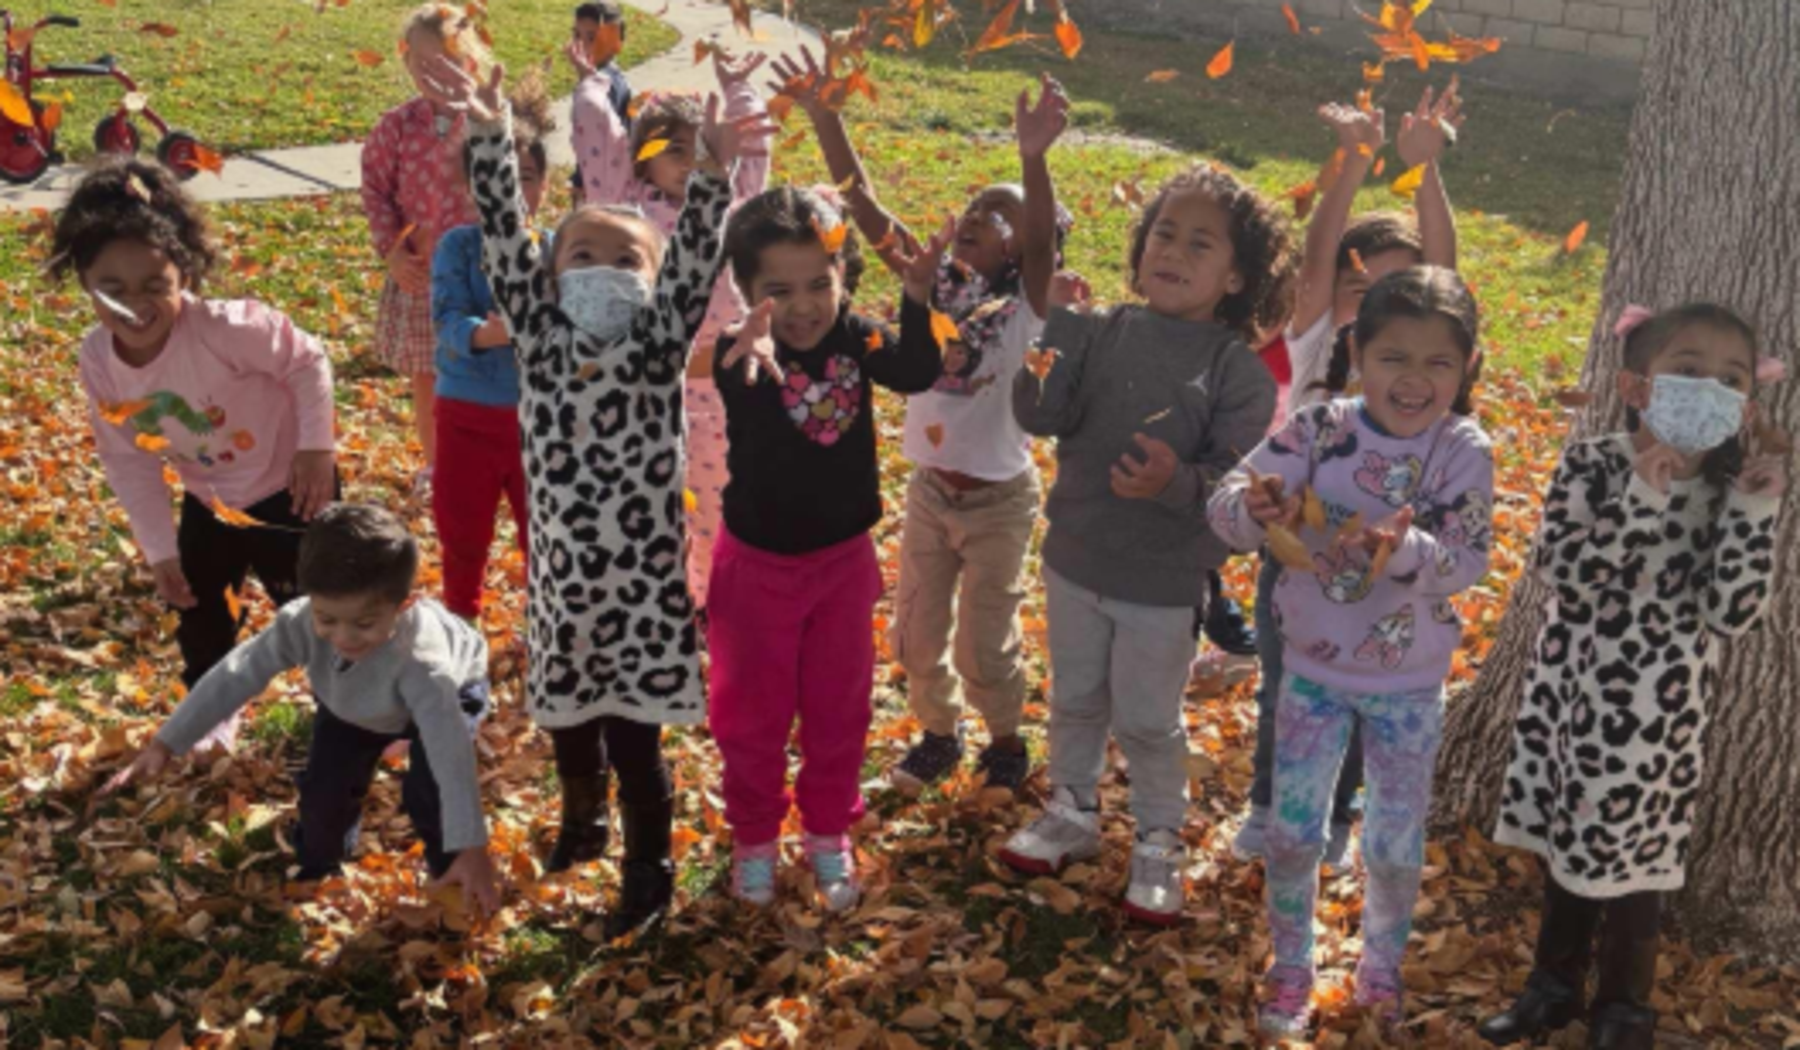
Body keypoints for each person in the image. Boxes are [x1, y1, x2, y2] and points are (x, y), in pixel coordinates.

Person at [430, 55, 770, 939]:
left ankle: (648, 868)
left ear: (654, 282)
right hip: (565, 590)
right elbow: (505, 236)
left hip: (647, 594)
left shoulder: (659, 343)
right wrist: (490, 134)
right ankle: (582, 822)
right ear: (551, 276)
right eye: (582, 253)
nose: (603, 268)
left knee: (638, 742)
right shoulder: (540, 338)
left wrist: (714, 169)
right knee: (571, 726)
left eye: (626, 258)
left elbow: (696, 257)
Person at [1479, 304, 1786, 1050]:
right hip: (1570, 701)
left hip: (1660, 718)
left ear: (1746, 408)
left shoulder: (1729, 488)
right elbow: (1566, 572)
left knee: (1639, 865)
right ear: (1637, 386)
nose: (1709, 389)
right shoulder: (1593, 462)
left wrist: (1755, 508)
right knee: (1567, 849)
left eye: (1731, 380)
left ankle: (1624, 1008)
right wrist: (1641, 497)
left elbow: (1732, 612)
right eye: (1688, 370)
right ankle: (1552, 988)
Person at [772, 50, 1077, 794]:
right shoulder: (931, 279)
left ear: (1021, 249)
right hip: (930, 495)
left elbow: (1042, 243)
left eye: (999, 215)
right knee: (915, 632)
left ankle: (1004, 741)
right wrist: (827, 118)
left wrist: (1032, 159)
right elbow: (868, 208)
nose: (977, 215)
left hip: (999, 502)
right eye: (975, 205)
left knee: (984, 642)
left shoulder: (1028, 310)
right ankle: (939, 734)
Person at [997, 162, 1294, 925]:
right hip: (1076, 558)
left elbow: (1235, 488)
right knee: (1075, 698)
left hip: (1163, 582)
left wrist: (1171, 482)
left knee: (1146, 719)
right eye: (1164, 233)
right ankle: (1071, 809)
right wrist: (1059, 330)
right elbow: (1038, 412)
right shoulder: (1100, 331)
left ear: (1236, 277)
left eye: (1201, 244)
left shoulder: (1239, 374)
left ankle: (1159, 839)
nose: (1174, 252)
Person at [1207, 266, 1493, 1038]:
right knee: (1292, 833)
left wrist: (1407, 550)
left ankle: (1380, 970)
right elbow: (1229, 505)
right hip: (1312, 675)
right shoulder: (1319, 428)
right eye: (1393, 357)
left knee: (1394, 847)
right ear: (1358, 353)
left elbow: (1468, 561)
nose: (1414, 379)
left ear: (1467, 366)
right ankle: (1291, 966)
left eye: (1438, 361)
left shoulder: (1462, 448)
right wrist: (1254, 506)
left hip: (1410, 686)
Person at [1232, 83, 1466, 870]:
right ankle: (1269, 806)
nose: (1374, 304)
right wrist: (1355, 160)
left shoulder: (1419, 364)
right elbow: (1317, 261)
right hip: (1296, 557)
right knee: (1284, 687)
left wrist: (1426, 171)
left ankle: (1334, 814)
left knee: (1369, 696)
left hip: (1390, 563)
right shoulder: (1318, 339)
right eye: (1360, 286)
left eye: (1397, 292)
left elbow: (1447, 275)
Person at [706, 185, 944, 912]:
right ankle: (754, 837)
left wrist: (916, 298)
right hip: (756, 571)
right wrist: (746, 345)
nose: (805, 306)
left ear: (843, 276)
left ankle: (826, 829)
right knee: (752, 715)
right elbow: (739, 381)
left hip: (841, 565)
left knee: (839, 708)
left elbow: (917, 370)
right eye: (779, 291)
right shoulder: (742, 353)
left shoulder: (857, 338)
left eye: (820, 283)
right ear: (746, 291)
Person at [57, 158, 337, 752]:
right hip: (210, 501)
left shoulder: (226, 329)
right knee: (201, 611)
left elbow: (306, 360)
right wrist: (160, 548)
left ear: (183, 273)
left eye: (154, 286)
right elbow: (128, 458)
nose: (134, 306)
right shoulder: (100, 361)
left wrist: (316, 448)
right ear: (84, 282)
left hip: (291, 489)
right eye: (113, 290)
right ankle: (213, 713)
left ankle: (354, 703)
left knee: (321, 605)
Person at [100, 504, 500, 915]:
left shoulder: (425, 666)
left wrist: (471, 845)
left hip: (451, 694)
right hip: (353, 702)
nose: (344, 636)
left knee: (429, 789)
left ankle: (455, 871)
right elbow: (236, 673)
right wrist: (166, 743)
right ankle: (319, 859)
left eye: (363, 623)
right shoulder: (301, 622)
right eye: (327, 618)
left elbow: (450, 754)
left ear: (404, 605)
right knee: (326, 789)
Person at [571, 49, 774, 613]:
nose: (688, 162)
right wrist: (593, 83)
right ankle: (652, 598)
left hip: (716, 388)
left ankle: (707, 599)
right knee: (643, 501)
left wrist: (738, 89)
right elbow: (597, 134)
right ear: (643, 159)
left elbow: (754, 145)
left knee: (713, 501)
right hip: (645, 390)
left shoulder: (736, 205)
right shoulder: (627, 209)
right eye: (673, 150)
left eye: (699, 148)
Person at [429, 74, 554, 622]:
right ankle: (461, 622)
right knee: (462, 533)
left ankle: (546, 627)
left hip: (538, 422)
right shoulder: (457, 246)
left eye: (525, 177)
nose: (515, 190)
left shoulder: (558, 249)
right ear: (473, 185)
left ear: (544, 184)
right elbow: (447, 320)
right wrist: (488, 333)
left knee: (543, 535)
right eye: (502, 177)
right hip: (466, 416)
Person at [361, 3, 489, 497]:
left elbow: (517, 186)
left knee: (481, 368)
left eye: (446, 62)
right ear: (406, 61)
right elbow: (376, 192)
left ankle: (488, 457)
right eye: (421, 62)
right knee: (427, 377)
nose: (432, 73)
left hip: (478, 277)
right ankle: (438, 464)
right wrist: (392, 251)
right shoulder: (396, 126)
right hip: (420, 273)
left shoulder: (485, 124)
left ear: (470, 63)